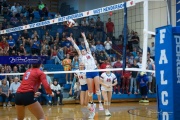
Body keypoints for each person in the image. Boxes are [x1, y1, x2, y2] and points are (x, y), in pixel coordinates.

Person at [67, 32, 104, 119]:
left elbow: (87, 45)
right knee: (82, 103)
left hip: (92, 74)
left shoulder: (89, 53)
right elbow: (77, 49)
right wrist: (72, 40)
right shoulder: (81, 57)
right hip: (84, 84)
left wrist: (84, 37)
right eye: (82, 50)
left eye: (84, 50)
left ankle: (93, 110)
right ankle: (92, 107)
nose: (83, 51)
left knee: (90, 97)